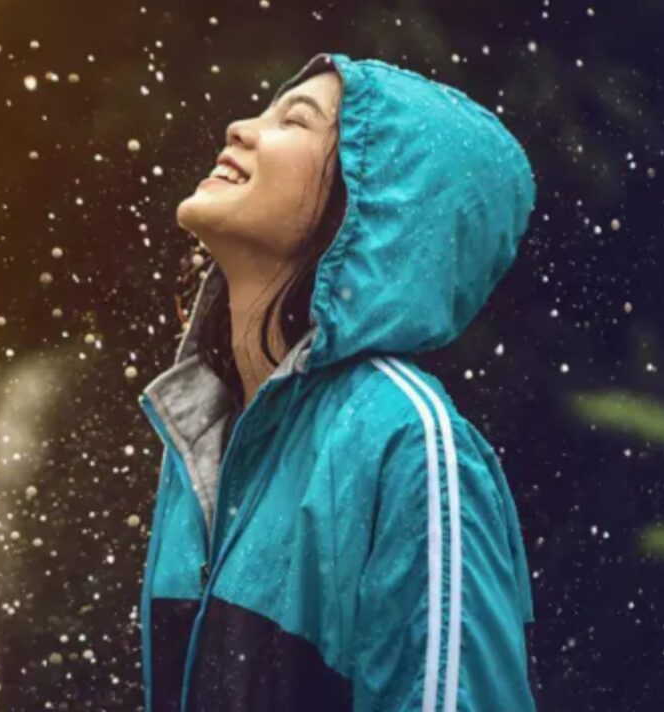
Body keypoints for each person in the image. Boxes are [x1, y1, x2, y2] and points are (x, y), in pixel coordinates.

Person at [136, 52, 539, 712]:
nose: (240, 127)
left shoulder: (407, 440)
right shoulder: (207, 430)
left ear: (376, 203)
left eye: (295, 120)